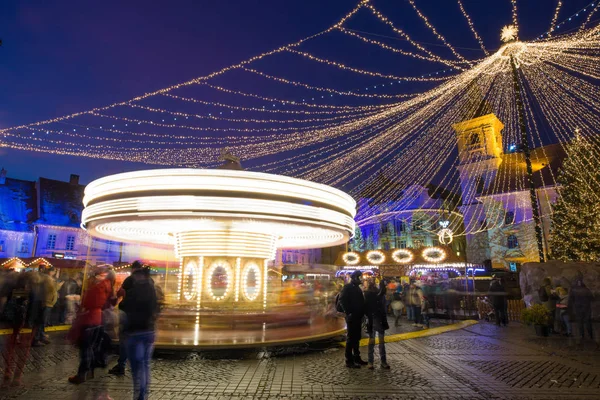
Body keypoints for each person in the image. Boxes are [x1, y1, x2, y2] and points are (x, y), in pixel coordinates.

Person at [120, 265, 159, 400]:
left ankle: (139, 396)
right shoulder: (152, 290)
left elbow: (124, 306)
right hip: (149, 331)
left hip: (135, 332)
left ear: (140, 276)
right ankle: (143, 394)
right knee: (145, 365)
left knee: (137, 368)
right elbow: (155, 309)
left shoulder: (135, 290)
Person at [68, 266, 112, 384]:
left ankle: (82, 374)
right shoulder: (104, 287)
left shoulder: (96, 288)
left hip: (90, 318)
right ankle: (90, 371)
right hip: (97, 319)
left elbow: (89, 302)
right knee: (91, 346)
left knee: (85, 347)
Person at [109, 261, 147, 376]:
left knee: (125, 341)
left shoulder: (130, 280)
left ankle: (121, 366)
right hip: (141, 316)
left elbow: (120, 293)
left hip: (128, 314)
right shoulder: (147, 281)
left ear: (133, 269)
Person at [339, 270, 366, 368]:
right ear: (355, 278)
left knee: (357, 338)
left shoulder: (357, 288)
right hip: (352, 317)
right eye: (359, 277)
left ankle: (356, 357)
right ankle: (349, 360)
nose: (361, 279)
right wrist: (348, 312)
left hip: (358, 316)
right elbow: (342, 300)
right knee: (351, 338)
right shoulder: (348, 287)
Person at [32, 265, 62, 346]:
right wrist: (59, 284)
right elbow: (53, 288)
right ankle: (36, 339)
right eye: (55, 271)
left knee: (42, 322)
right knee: (41, 321)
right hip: (46, 302)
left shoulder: (47, 278)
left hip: (48, 302)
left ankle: (41, 337)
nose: (55, 273)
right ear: (51, 271)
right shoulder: (47, 279)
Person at [364, 279, 390, 370]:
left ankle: (371, 362)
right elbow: (384, 305)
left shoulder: (367, 294)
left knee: (372, 341)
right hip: (379, 319)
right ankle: (382, 361)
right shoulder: (378, 294)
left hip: (372, 319)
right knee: (380, 342)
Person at [568, 277, 594, 342]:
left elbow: (570, 300)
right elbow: (592, 298)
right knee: (588, 322)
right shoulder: (586, 289)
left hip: (578, 308)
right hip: (586, 307)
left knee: (580, 322)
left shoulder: (573, 290)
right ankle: (591, 336)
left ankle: (582, 336)